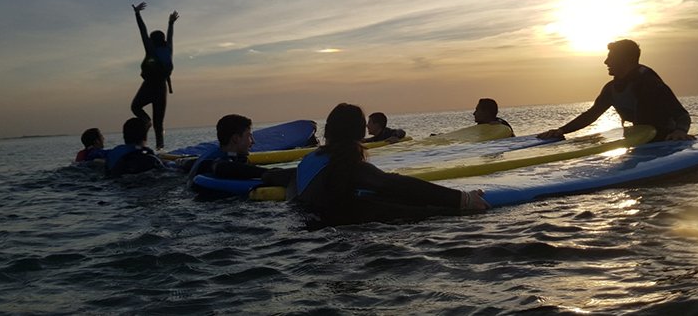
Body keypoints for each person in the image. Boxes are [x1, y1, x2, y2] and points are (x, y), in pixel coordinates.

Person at [295, 103, 489, 226]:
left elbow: (277, 176)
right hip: (338, 232)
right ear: (360, 134)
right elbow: (393, 183)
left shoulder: (307, 162)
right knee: (429, 213)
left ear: (328, 130)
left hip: (302, 226)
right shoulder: (349, 166)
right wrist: (461, 199)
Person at [538, 39, 692, 142]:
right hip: (640, 142)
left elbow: (682, 115)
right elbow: (591, 115)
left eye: (611, 57)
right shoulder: (611, 89)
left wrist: (680, 131)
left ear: (625, 59)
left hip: (665, 142)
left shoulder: (650, 83)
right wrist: (561, 130)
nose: (606, 61)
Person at [187, 114, 294, 185]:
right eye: (249, 136)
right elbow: (221, 167)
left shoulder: (217, 154)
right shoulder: (215, 161)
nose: (253, 141)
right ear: (236, 139)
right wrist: (271, 173)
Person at [130, 2, 178, 150]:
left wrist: (137, 14)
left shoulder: (150, 49)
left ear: (152, 40)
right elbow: (170, 36)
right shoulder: (168, 49)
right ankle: (160, 149)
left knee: (135, 107)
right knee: (159, 123)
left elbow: (142, 31)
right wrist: (171, 23)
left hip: (150, 85)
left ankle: (146, 121)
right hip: (161, 88)